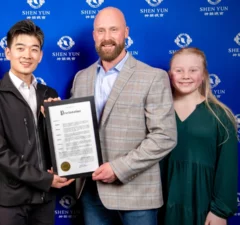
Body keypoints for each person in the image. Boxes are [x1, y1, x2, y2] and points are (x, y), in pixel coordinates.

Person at [70, 7, 177, 225]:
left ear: (126, 32)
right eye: (100, 31)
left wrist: (119, 169)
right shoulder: (81, 78)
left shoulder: (153, 77)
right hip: (92, 192)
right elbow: (74, 130)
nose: (107, 37)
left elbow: (165, 136)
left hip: (137, 194)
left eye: (113, 30)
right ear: (94, 35)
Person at [0, 19, 74, 225]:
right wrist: (45, 179)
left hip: (43, 199)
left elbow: (58, 145)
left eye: (34, 49)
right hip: (9, 201)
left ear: (40, 55)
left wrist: (56, 122)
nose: (27, 55)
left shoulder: (49, 94)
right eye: (20, 48)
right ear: (8, 52)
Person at [159, 47, 238, 225]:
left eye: (193, 70)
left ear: (203, 75)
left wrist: (220, 211)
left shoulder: (220, 116)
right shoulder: (158, 112)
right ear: (170, 74)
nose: (185, 76)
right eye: (179, 70)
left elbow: (227, 169)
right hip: (162, 202)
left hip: (202, 204)